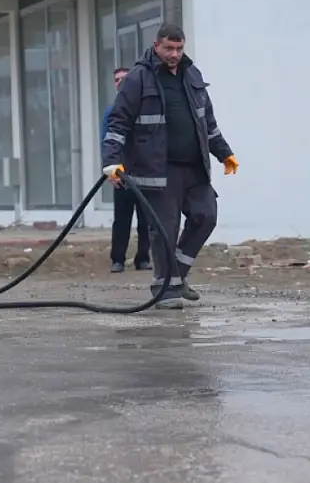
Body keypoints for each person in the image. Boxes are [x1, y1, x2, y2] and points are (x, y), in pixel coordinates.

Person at [101, 23, 239, 310]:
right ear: (156, 46)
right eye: (169, 48)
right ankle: (165, 289)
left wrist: (224, 153)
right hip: (157, 170)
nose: (174, 54)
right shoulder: (139, 78)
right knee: (165, 229)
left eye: (179, 48)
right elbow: (118, 123)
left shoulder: (192, 75)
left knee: (206, 216)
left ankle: (174, 277)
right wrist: (112, 162)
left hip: (194, 168)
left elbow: (207, 123)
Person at [101, 66, 151, 273]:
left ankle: (143, 258)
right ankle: (118, 259)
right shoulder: (111, 111)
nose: (120, 82)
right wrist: (109, 169)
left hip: (144, 172)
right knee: (121, 219)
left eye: (125, 79)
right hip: (122, 173)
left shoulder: (144, 108)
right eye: (117, 80)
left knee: (146, 219)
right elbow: (106, 141)